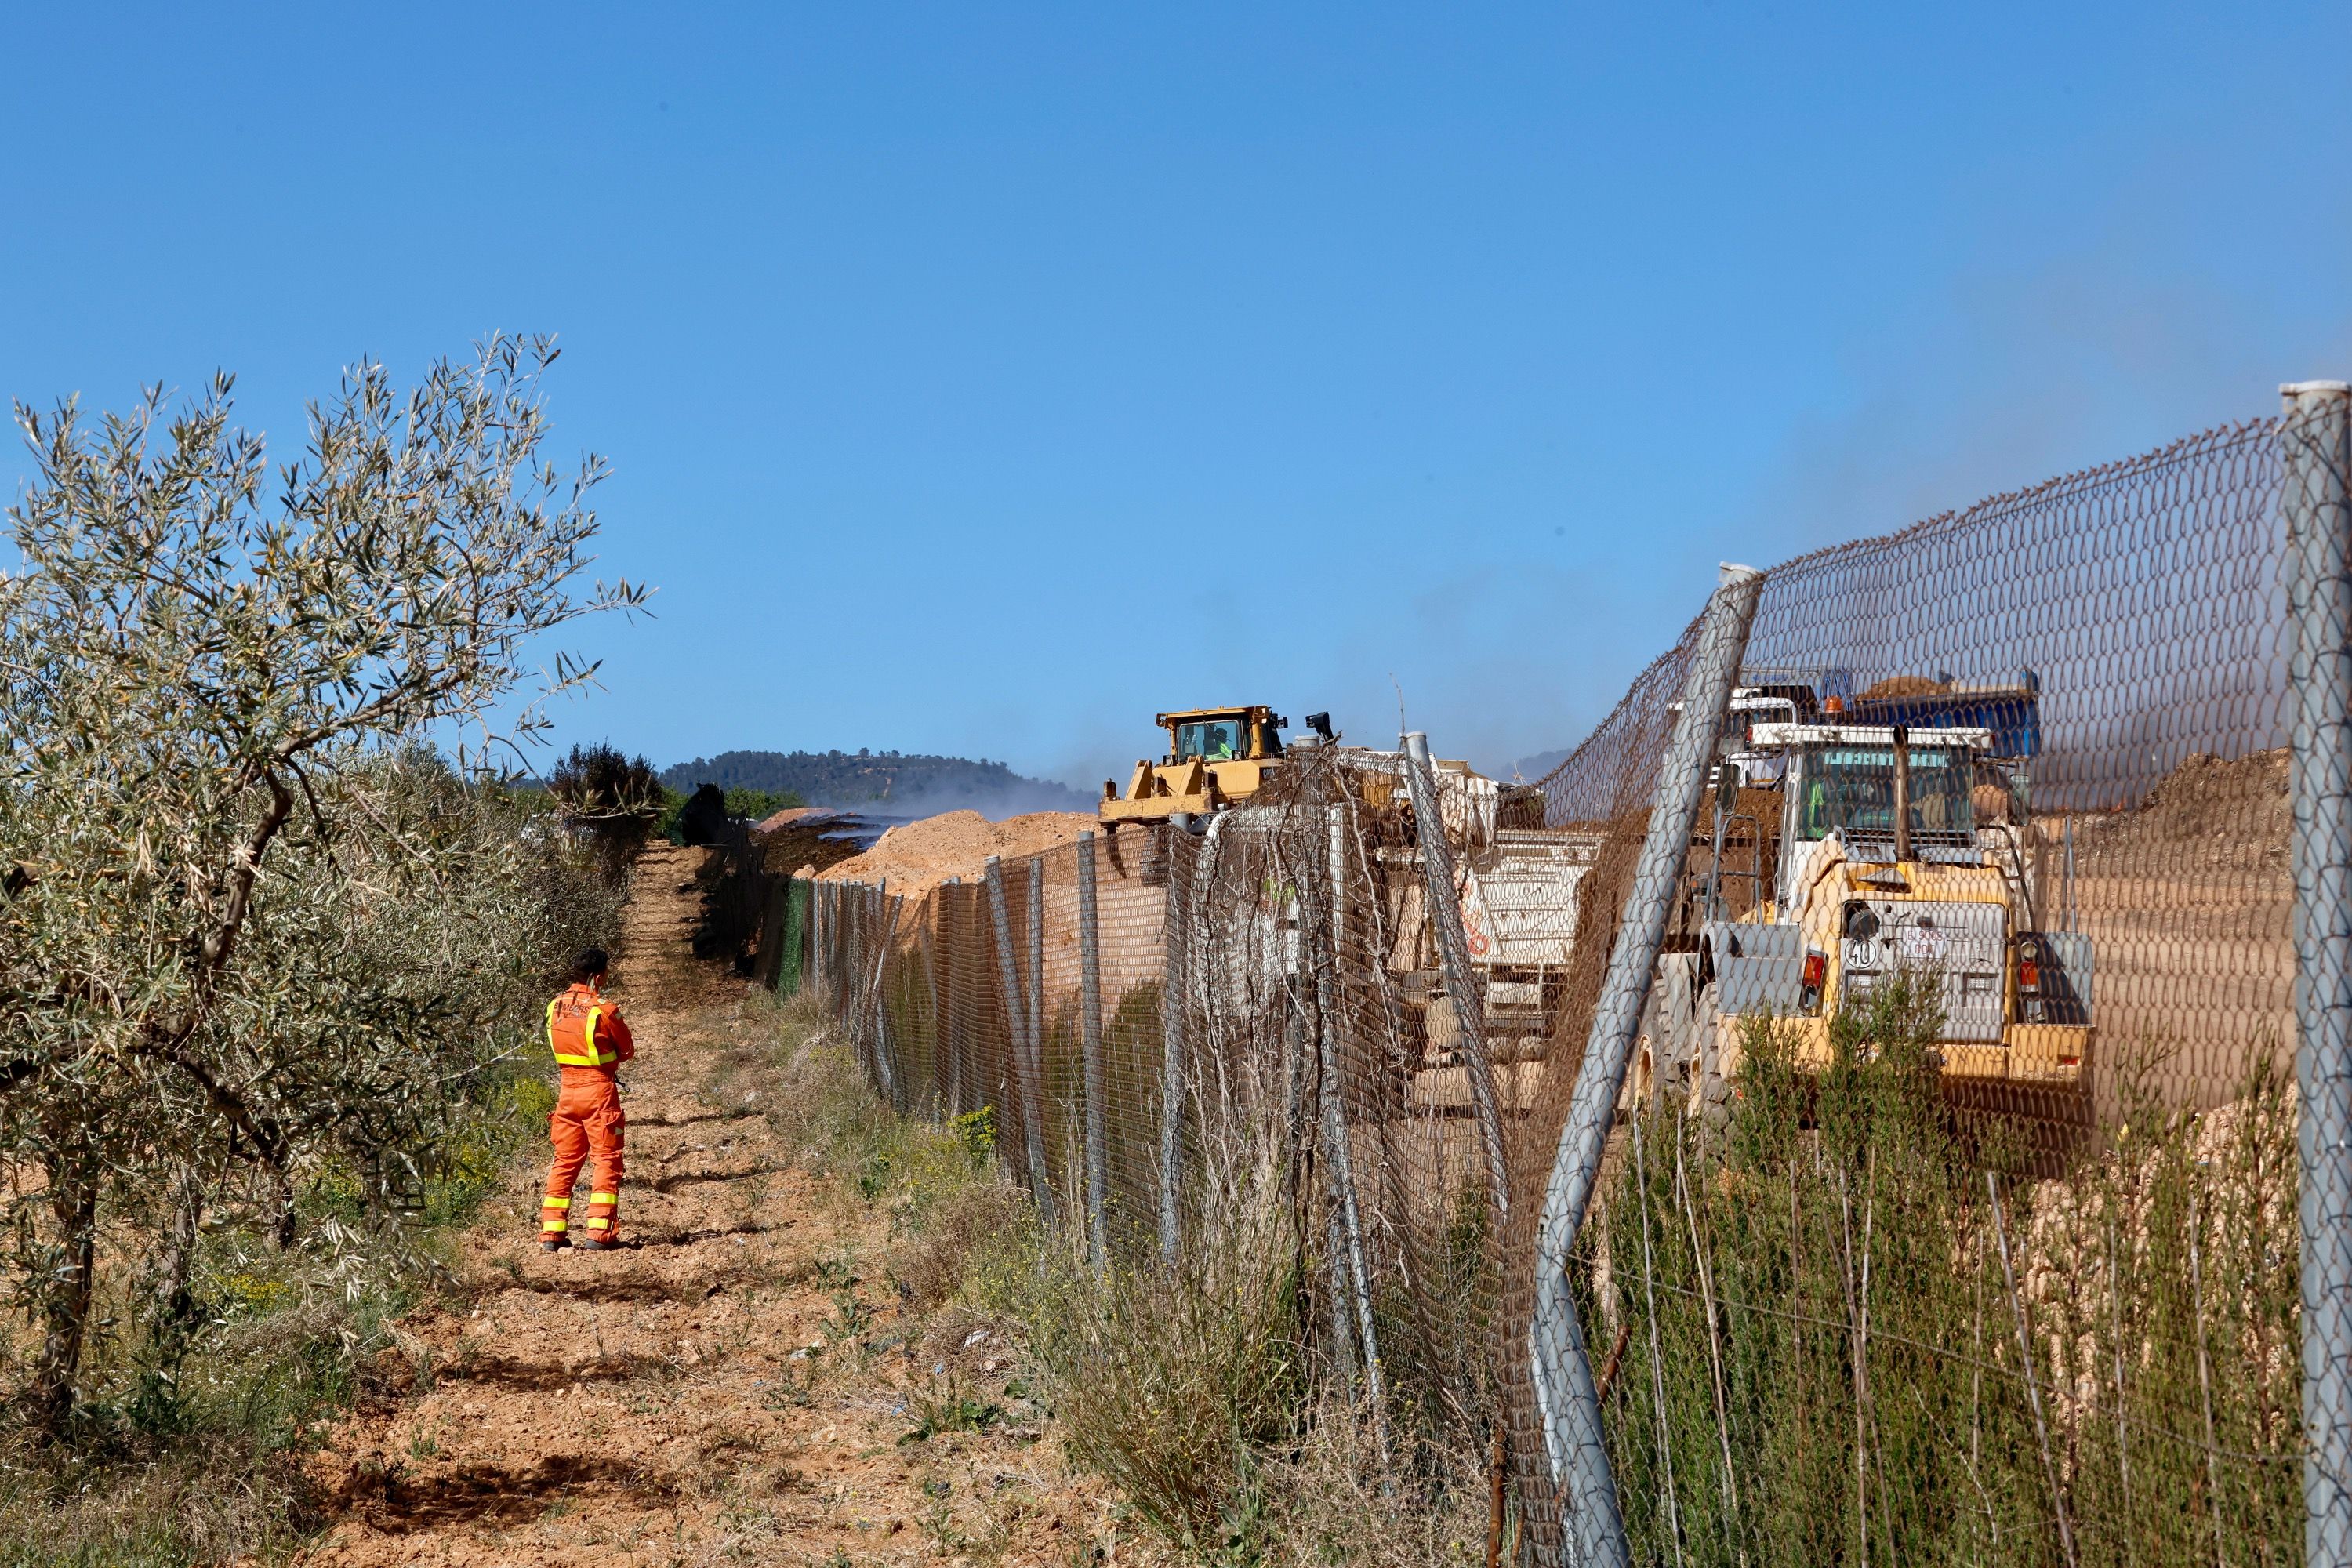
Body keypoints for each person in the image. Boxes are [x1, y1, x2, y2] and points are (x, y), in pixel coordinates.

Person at [540, 947, 634, 1251]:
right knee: (606, 1160)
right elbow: (628, 1051)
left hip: (566, 1092)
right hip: (599, 1093)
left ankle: (552, 1235)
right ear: (598, 976)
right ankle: (599, 1234)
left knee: (565, 1161)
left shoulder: (554, 1006)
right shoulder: (604, 1010)